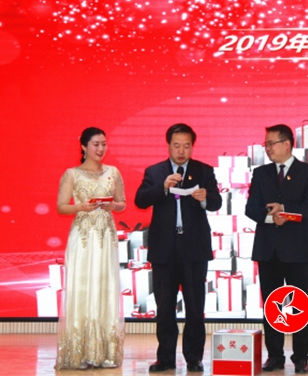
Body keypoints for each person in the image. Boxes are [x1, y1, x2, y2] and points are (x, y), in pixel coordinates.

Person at [135, 123, 222, 373]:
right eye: (176, 146)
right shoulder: (155, 172)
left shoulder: (204, 170)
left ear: (192, 146)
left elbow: (216, 202)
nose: (181, 151)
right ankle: (165, 358)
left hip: (194, 247)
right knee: (165, 307)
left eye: (186, 146)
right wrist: (162, 187)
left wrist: (205, 198)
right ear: (168, 146)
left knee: (194, 306)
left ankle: (194, 358)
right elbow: (140, 200)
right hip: (164, 248)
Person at [245, 124, 308, 374]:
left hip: (296, 251)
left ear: (287, 144)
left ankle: (300, 357)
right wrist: (271, 217)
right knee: (272, 305)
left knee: (299, 305)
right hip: (268, 250)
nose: (267, 148)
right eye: (265, 144)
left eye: (271, 143)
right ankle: (275, 356)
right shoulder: (261, 173)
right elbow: (251, 209)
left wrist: (285, 211)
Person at [55, 127, 126, 370]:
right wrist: (80, 207)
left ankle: (104, 352)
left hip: (106, 238)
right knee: (83, 287)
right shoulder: (72, 174)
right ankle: (80, 353)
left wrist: (113, 206)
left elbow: (123, 203)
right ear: (84, 146)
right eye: (96, 144)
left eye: (104, 143)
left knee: (105, 287)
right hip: (83, 239)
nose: (101, 148)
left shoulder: (113, 172)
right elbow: (61, 206)